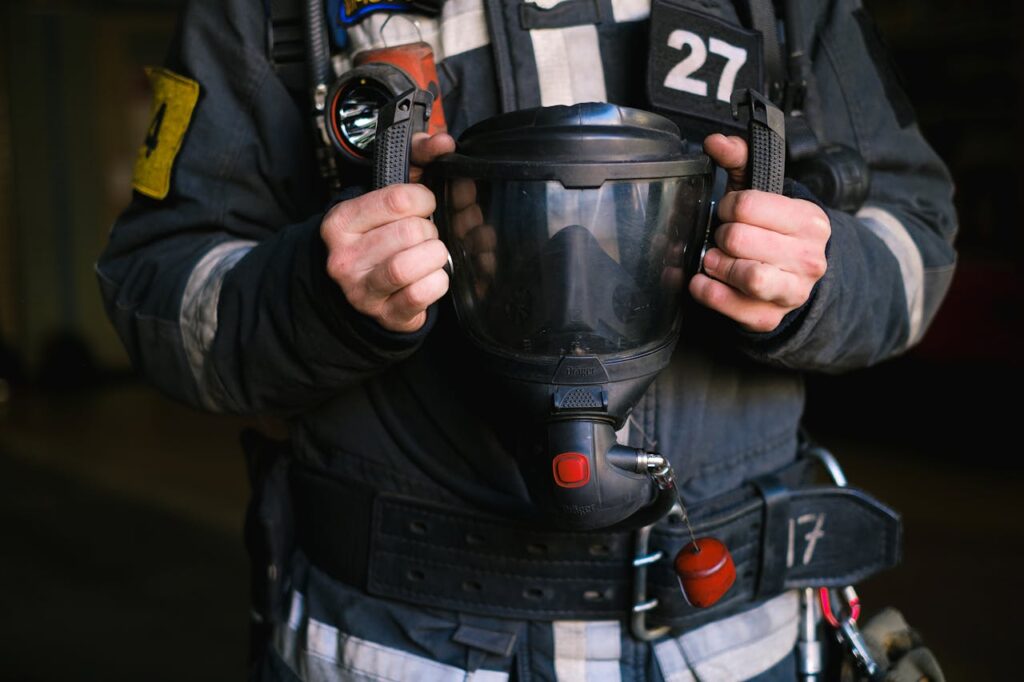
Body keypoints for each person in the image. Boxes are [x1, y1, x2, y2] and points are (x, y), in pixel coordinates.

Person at [97, 0, 957, 679]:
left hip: (732, 640)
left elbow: (917, 234)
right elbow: (155, 293)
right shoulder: (274, 9)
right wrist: (318, 297)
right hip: (394, 645)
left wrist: (817, 280)